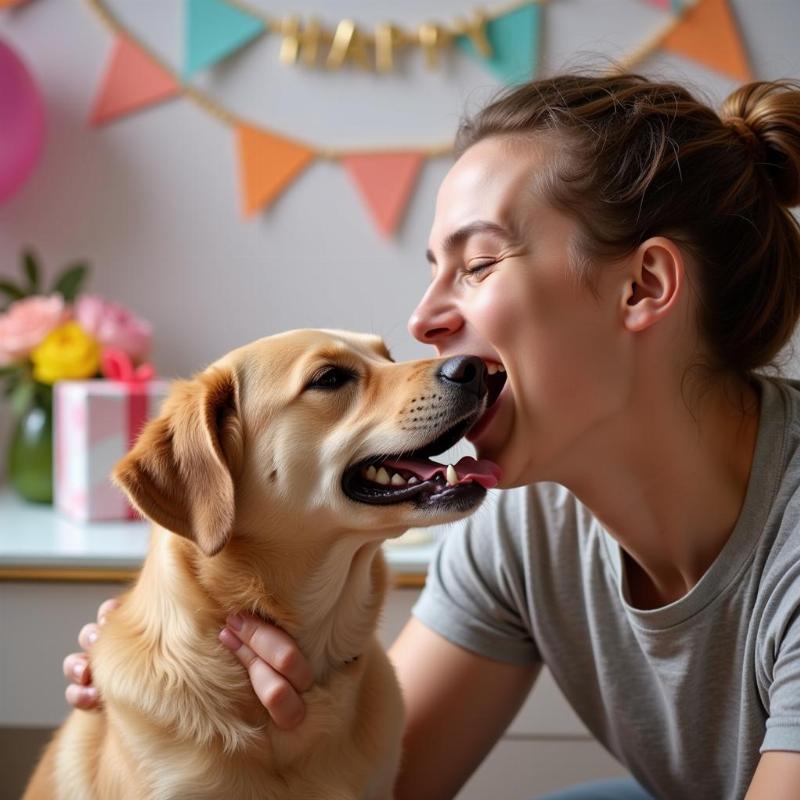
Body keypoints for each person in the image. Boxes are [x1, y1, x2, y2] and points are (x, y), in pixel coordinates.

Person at [63, 72, 800, 799]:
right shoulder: (522, 523)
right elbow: (391, 782)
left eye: (477, 264)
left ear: (642, 287)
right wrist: (218, 706)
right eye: (436, 270)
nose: (420, 323)